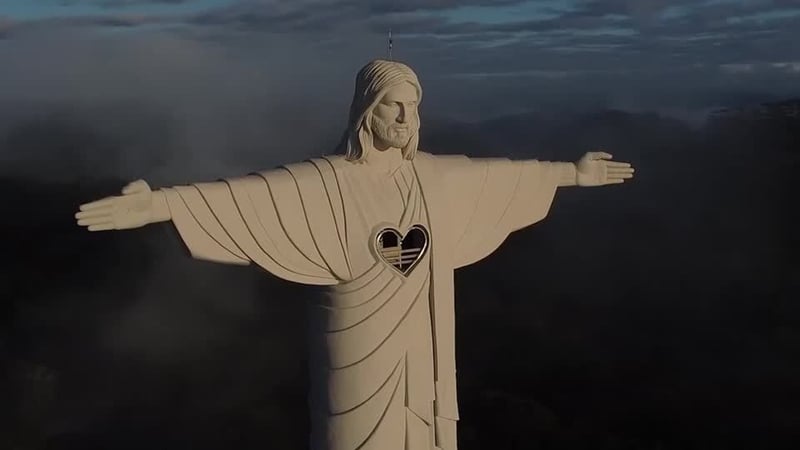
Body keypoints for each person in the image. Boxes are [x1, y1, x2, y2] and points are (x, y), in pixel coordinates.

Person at [75, 59, 634, 450]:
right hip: (354, 342)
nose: (405, 120)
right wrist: (161, 205)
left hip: (424, 342)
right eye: (393, 106)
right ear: (366, 110)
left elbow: (501, 177)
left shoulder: (436, 178)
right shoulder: (325, 181)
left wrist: (574, 175)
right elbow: (249, 193)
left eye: (413, 108)